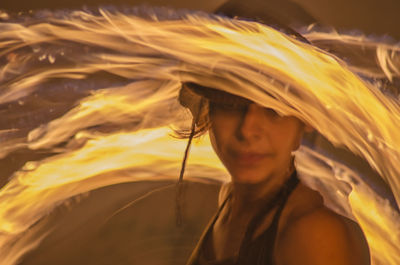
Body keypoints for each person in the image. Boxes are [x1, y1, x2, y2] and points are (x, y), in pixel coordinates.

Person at [176, 2, 371, 264]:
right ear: (208, 112)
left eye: (274, 110)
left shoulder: (316, 236)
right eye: (231, 106)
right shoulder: (228, 200)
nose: (248, 130)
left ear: (306, 118)